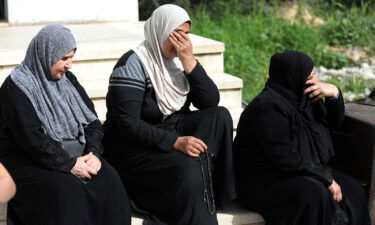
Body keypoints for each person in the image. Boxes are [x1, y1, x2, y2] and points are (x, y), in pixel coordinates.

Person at [103, 4, 236, 225]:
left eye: (186, 34)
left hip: (170, 126)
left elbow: (210, 101)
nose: (181, 40)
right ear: (161, 31)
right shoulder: (132, 65)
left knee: (219, 116)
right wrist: (174, 142)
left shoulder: (176, 63)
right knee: (189, 164)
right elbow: (127, 123)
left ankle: (215, 191)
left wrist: (189, 62)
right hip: (132, 144)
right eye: (176, 33)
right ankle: (185, 195)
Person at [0, 24, 131, 225]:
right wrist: (68, 164)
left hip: (72, 154)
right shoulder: (16, 87)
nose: (69, 65)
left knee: (110, 179)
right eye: (64, 58)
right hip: (27, 160)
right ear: (45, 54)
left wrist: (93, 153)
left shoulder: (67, 80)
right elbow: (32, 138)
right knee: (67, 189)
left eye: (71, 58)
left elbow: (92, 119)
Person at [233, 51, 370, 225]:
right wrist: (326, 179)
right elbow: (286, 157)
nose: (315, 80)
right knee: (314, 194)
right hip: (265, 180)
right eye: (311, 75)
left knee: (354, 191)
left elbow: (334, 124)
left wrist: (335, 94)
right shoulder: (267, 107)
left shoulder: (305, 98)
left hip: (300, 170)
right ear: (294, 76)